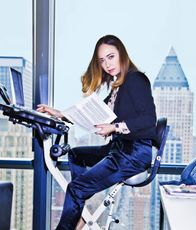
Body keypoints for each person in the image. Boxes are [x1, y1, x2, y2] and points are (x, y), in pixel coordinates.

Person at [37, 35, 157, 230]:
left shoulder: (136, 79)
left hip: (133, 154)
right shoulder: (118, 85)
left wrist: (115, 127)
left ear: (122, 55)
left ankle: (77, 203)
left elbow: (148, 119)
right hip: (119, 148)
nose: (107, 64)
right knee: (76, 155)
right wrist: (60, 114)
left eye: (111, 57)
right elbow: (93, 115)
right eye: (102, 60)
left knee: (75, 189)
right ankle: (80, 203)